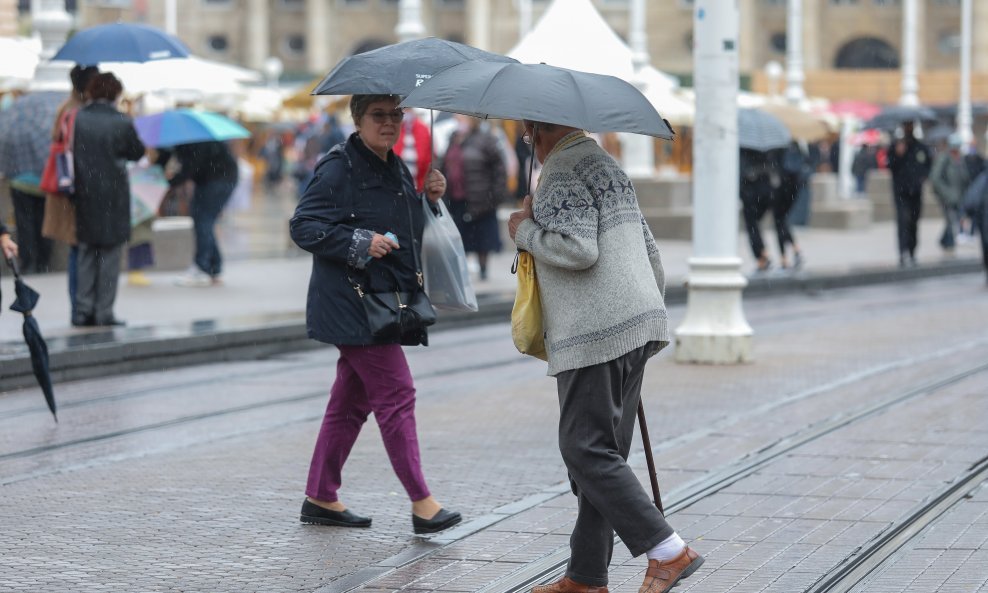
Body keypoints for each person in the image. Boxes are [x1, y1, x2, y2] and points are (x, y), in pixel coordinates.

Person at [508, 121, 702, 593]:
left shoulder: (560, 171)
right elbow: (647, 247)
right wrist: (643, 320)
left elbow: (578, 250)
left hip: (595, 329)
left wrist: (524, 230)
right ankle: (586, 575)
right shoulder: (606, 164)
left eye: (529, 131)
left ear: (535, 129)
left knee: (585, 450)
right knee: (603, 455)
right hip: (635, 321)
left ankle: (668, 550)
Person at [289, 94, 461, 535]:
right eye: (379, 116)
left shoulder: (395, 166)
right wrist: (359, 242)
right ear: (358, 119)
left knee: (350, 402)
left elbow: (403, 230)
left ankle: (321, 495)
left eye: (395, 115)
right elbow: (303, 225)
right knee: (397, 394)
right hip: (352, 302)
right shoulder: (339, 166)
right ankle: (423, 503)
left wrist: (428, 199)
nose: (389, 124)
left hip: (381, 302)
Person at [71, 72, 145, 327]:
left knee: (86, 253)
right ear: (116, 94)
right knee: (110, 255)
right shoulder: (121, 121)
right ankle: (104, 312)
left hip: (84, 193)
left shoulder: (79, 118)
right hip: (113, 194)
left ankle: (82, 310)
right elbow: (137, 152)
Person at [45, 65, 99, 315]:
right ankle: (81, 306)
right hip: (77, 188)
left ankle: (81, 304)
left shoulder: (66, 108)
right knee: (80, 248)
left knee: (78, 248)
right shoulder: (77, 112)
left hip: (70, 187)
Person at [440, 115, 508, 280]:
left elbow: (499, 170)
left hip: (481, 199)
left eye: (462, 117)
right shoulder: (453, 139)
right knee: (460, 237)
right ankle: (462, 272)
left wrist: (495, 197)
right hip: (456, 198)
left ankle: (483, 269)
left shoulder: (486, 140)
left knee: (481, 239)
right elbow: (444, 163)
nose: (458, 120)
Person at [168, 140, 239, 287]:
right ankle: (213, 267)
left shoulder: (195, 139)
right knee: (204, 221)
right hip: (218, 178)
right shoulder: (191, 138)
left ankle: (202, 268)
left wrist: (172, 181)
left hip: (217, 179)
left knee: (203, 221)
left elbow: (191, 165)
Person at [887, 121, 932, 267]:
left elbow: (928, 164)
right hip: (901, 191)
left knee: (913, 221)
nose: (908, 128)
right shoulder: (896, 146)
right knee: (902, 221)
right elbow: (890, 166)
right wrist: (898, 154)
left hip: (915, 190)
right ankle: (902, 252)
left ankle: (912, 251)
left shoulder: (920, 147)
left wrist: (923, 177)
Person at [930, 134, 970, 252]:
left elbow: (964, 177)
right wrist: (947, 192)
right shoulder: (944, 158)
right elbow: (935, 178)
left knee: (952, 220)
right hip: (946, 197)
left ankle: (945, 241)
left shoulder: (959, 159)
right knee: (950, 220)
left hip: (958, 196)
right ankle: (949, 243)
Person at [739, 148, 777, 272]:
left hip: (751, 191)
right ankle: (762, 255)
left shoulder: (744, 148)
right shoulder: (767, 148)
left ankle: (762, 256)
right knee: (754, 224)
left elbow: (741, 170)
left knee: (752, 225)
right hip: (766, 191)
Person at [776, 142, 808, 269]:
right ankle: (795, 251)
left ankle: (785, 258)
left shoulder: (780, 146)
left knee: (779, 221)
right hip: (794, 187)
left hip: (781, 187)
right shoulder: (797, 145)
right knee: (782, 221)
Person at [394, 108, 432, 193]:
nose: (406, 113)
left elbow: (428, 159)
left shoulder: (423, 129)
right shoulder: (396, 128)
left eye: (408, 109)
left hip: (417, 185)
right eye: (404, 110)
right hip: (397, 185)